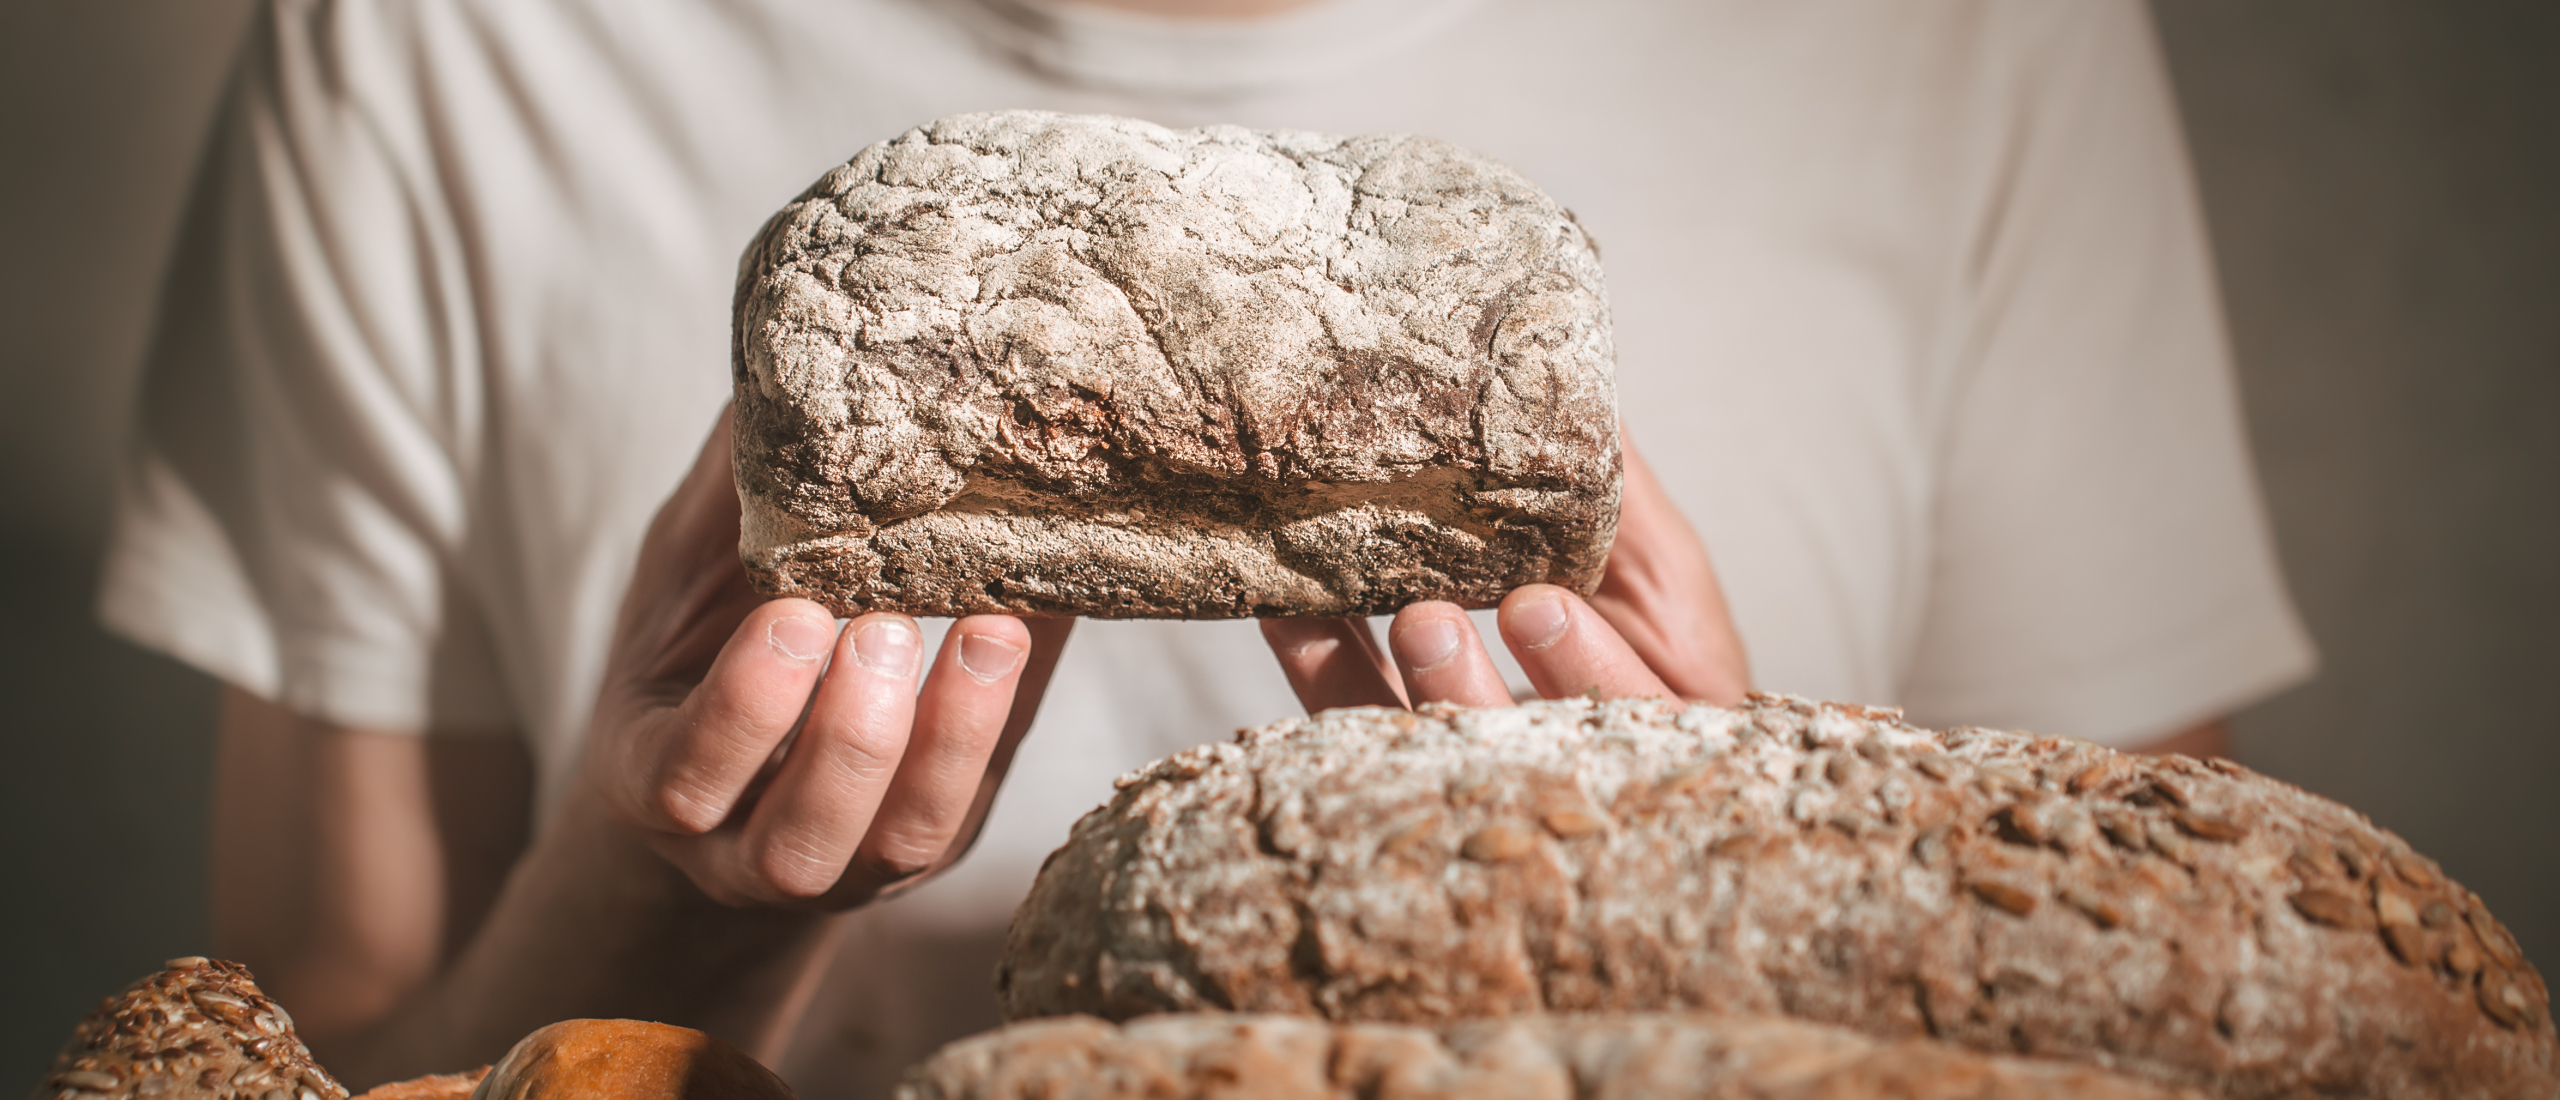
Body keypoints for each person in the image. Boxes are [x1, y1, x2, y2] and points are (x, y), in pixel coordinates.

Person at [100, 0, 2316, 1095]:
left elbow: (2205, 1019)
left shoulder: (1947, 39)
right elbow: (299, 1051)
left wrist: (1719, 900)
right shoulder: (435, 38)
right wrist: (645, 900)